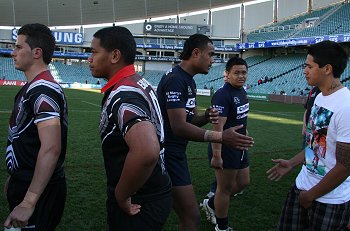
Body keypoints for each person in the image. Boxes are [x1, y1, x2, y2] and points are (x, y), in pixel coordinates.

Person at [157, 34, 254, 231]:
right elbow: (178, 127)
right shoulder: (176, 80)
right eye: (210, 55)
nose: (213, 60)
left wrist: (206, 116)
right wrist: (220, 136)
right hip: (168, 153)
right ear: (196, 53)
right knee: (190, 219)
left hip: (175, 152)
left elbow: (188, 120)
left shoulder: (188, 81)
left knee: (166, 214)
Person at [87, 26, 172, 231]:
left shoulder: (125, 94)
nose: (89, 59)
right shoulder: (137, 83)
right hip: (151, 189)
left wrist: (121, 194)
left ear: (115, 55)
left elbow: (146, 151)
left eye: (94, 52)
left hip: (139, 198)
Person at [267, 40, 350, 230]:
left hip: (329, 199)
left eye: (309, 66)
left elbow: (345, 166)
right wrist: (292, 163)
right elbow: (315, 145)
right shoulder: (319, 97)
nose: (304, 70)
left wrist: (310, 195)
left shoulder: (346, 107)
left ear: (327, 68)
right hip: (302, 185)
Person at [4, 23, 68, 230]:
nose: (12, 53)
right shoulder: (34, 87)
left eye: (18, 47)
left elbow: (51, 147)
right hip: (27, 182)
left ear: (36, 52)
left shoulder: (43, 91)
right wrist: (16, 177)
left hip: (41, 191)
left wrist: (29, 200)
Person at [203, 57, 251, 231]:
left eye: (244, 72)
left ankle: (210, 203)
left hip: (240, 145)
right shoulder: (223, 95)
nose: (241, 76)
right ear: (227, 74)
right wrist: (216, 155)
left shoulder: (242, 91)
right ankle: (222, 227)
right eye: (236, 73)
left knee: (243, 182)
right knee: (225, 188)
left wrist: (246, 133)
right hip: (225, 148)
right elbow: (217, 128)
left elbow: (240, 118)